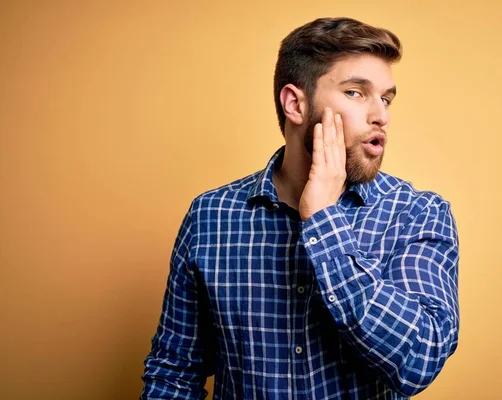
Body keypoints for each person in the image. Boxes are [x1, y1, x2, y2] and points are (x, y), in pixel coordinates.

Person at [140, 16, 460, 400]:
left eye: (386, 98)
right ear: (295, 104)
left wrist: (324, 220)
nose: (382, 115)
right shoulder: (211, 217)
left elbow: (419, 359)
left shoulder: (417, 213)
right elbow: (173, 374)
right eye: (356, 92)